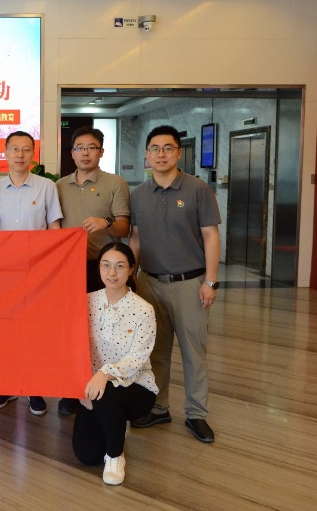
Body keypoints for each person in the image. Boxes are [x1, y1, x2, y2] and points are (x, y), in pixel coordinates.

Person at [128, 125, 221, 444]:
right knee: (155, 351)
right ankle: (158, 406)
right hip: (150, 283)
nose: (161, 154)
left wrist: (211, 281)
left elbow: (211, 236)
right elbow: (135, 239)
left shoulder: (197, 189)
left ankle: (196, 413)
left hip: (190, 283)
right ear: (146, 155)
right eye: (155, 149)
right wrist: (132, 280)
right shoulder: (138, 194)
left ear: (178, 153)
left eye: (168, 148)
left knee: (194, 352)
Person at [56, 125, 131, 416]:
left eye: (91, 148)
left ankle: (99, 387)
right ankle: (71, 389)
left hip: (102, 271)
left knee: (100, 332)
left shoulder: (115, 183)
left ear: (101, 152)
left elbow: (125, 228)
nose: (85, 153)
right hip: (67, 270)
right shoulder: (59, 186)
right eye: (80, 148)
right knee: (69, 330)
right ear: (72, 153)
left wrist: (106, 223)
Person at [0, 130, 62, 417]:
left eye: (26, 150)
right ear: (5, 153)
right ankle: (6, 384)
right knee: (5, 331)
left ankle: (34, 386)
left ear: (33, 154)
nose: (20, 155)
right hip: (4, 274)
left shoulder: (46, 187)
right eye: (14, 149)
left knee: (34, 331)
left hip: (37, 273)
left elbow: (54, 230)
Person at [72, 242, 157, 485]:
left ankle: (115, 456)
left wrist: (104, 374)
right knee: (86, 455)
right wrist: (82, 386)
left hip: (136, 386)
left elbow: (137, 358)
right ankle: (114, 424)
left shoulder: (144, 310)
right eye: (106, 265)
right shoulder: (86, 302)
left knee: (106, 392)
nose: (112, 273)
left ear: (130, 269)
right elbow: (75, 347)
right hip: (94, 387)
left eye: (120, 266)